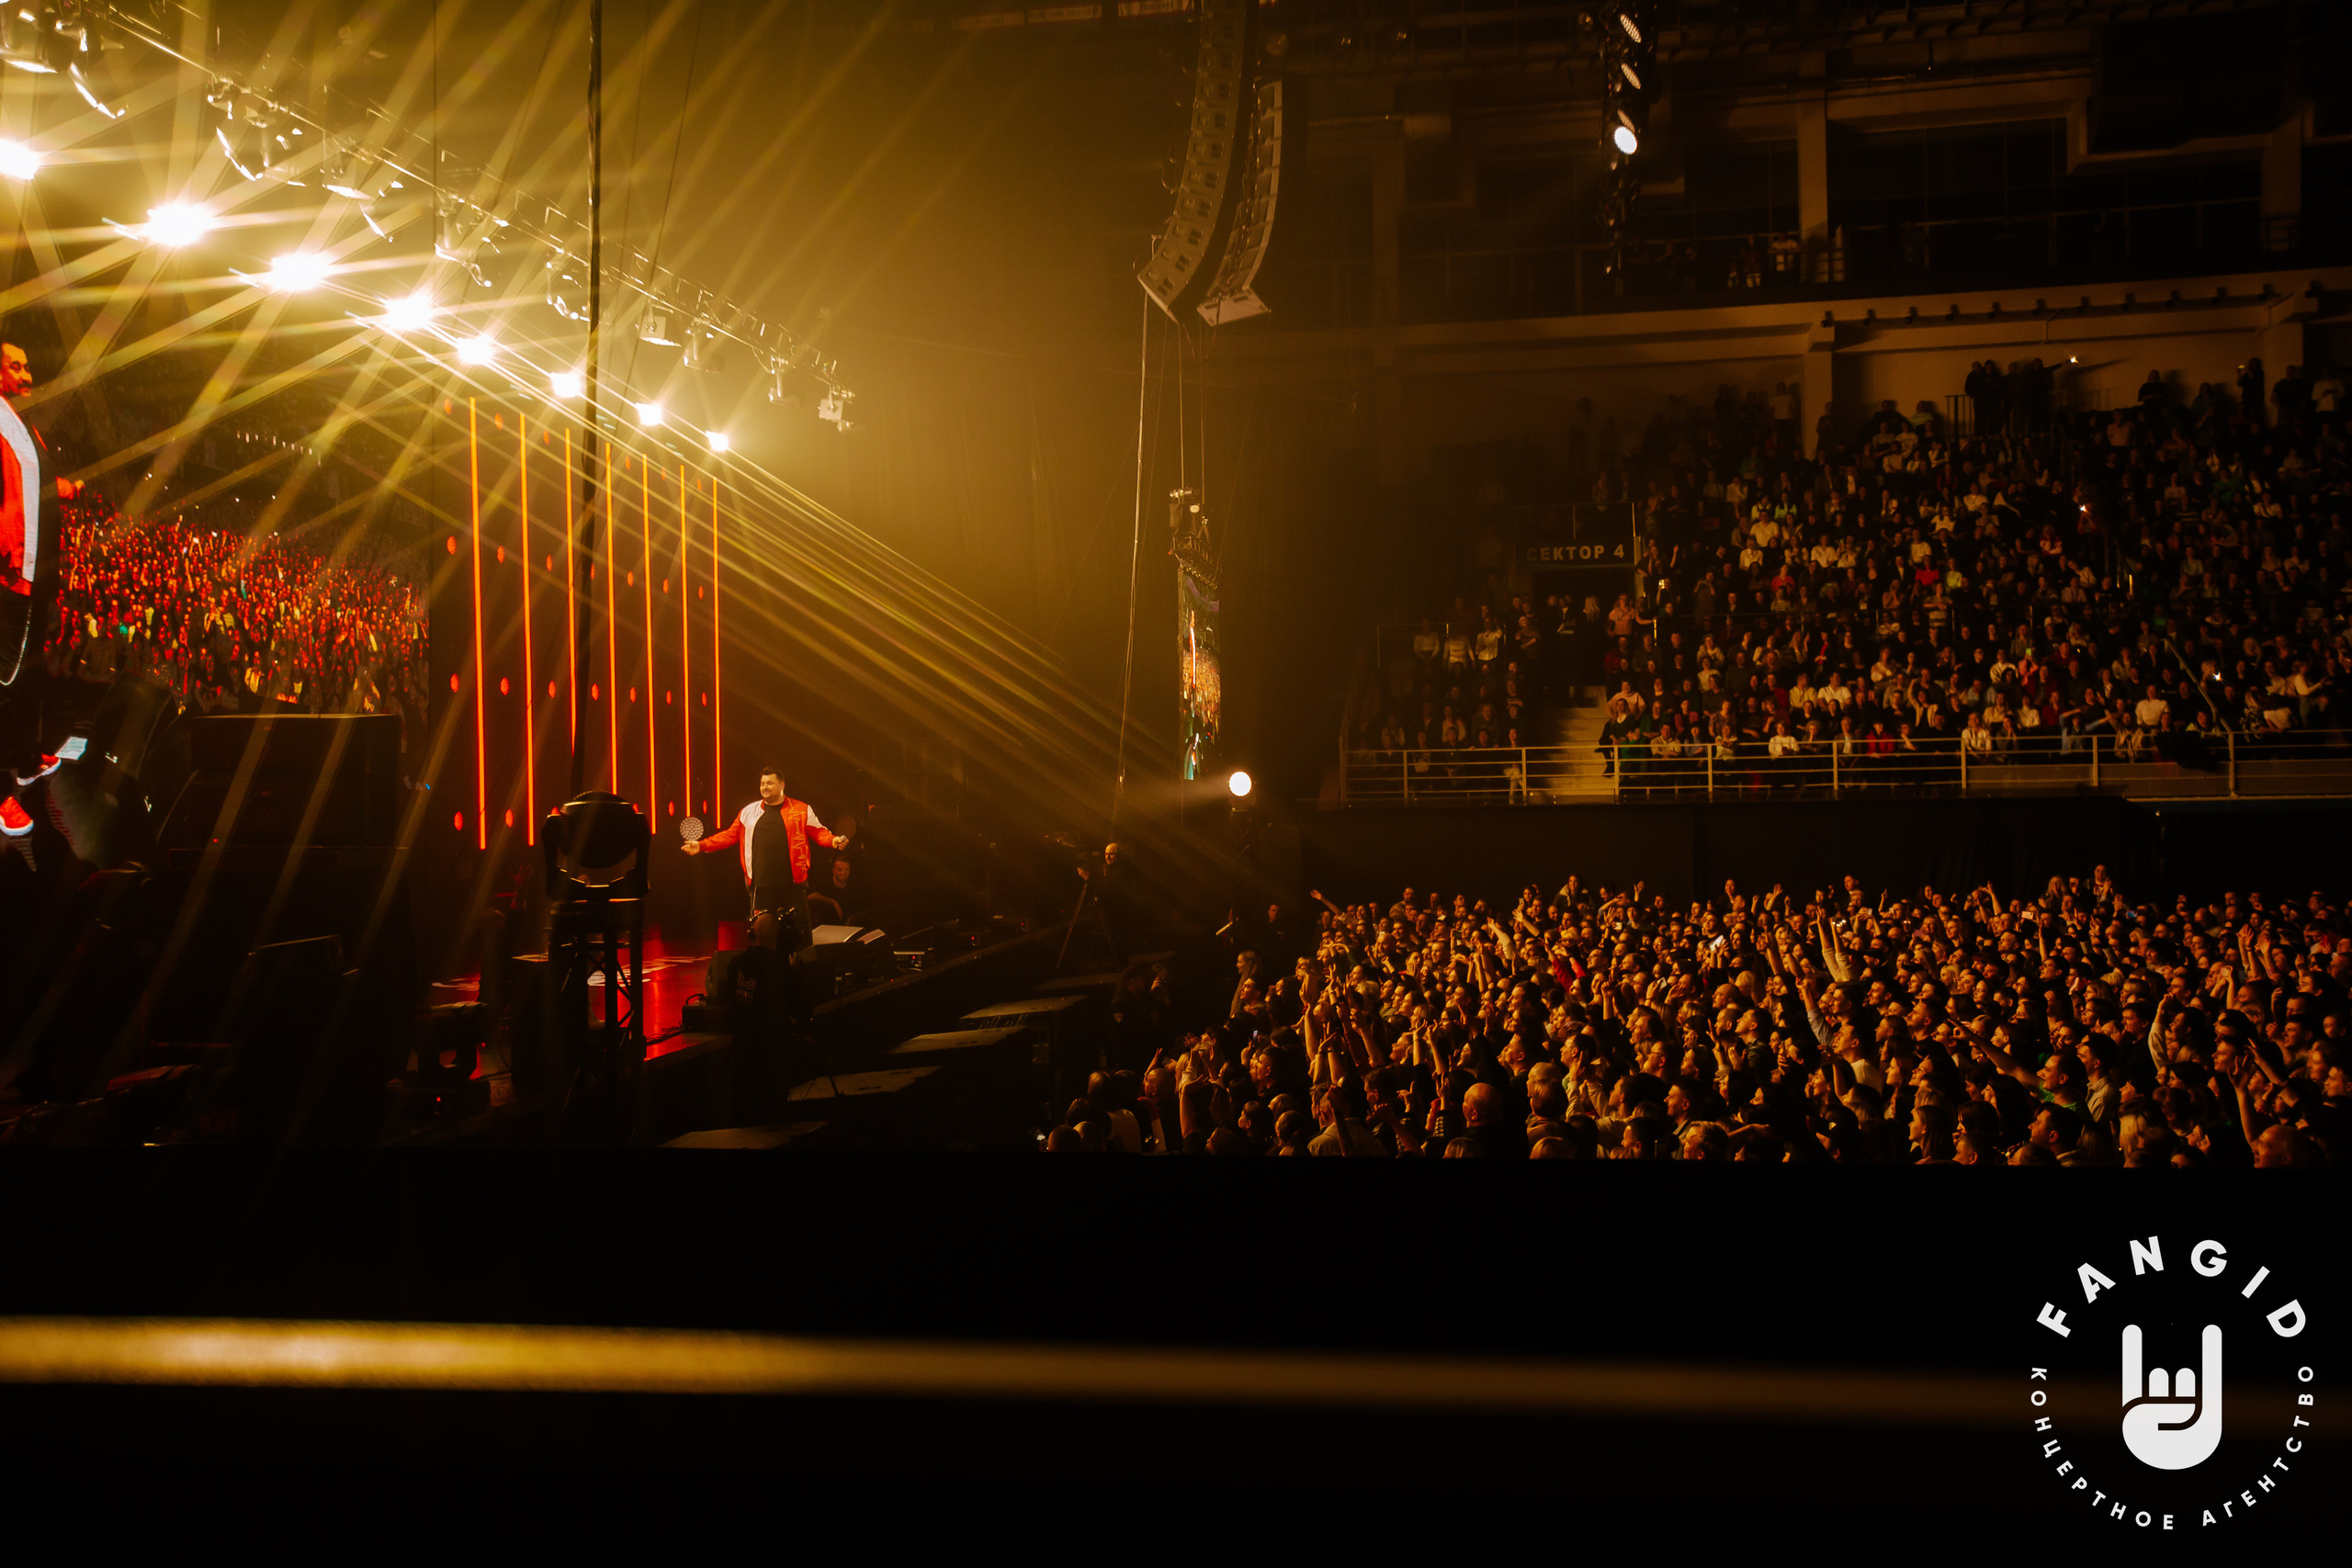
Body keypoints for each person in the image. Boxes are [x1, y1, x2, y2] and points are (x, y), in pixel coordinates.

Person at [684, 765, 840, 952]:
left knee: (800, 930)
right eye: (762, 784)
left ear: (782, 785)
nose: (765, 787)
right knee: (761, 932)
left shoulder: (801, 809)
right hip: (761, 884)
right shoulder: (748, 812)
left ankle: (803, 966)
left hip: (793, 883)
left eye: (769, 783)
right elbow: (729, 836)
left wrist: (833, 840)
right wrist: (702, 845)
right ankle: (764, 966)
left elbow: (818, 832)